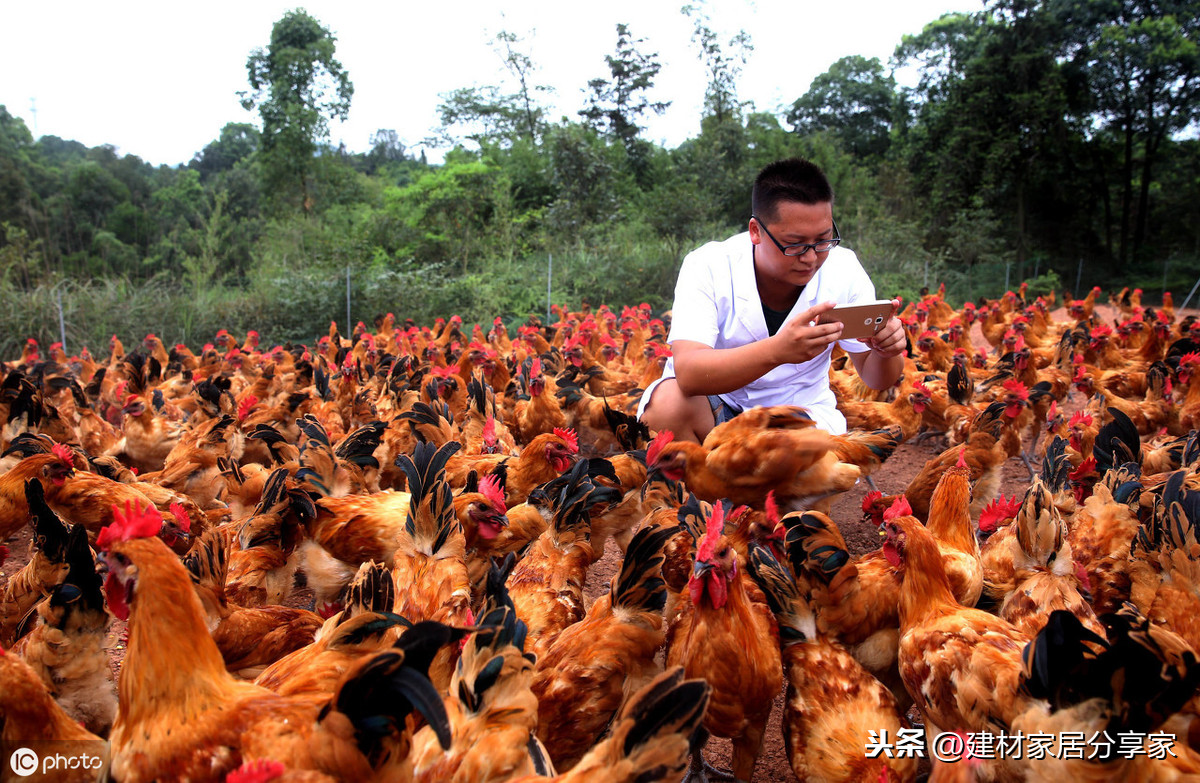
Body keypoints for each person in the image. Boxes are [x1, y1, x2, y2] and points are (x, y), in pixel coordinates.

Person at [637, 157, 906, 442]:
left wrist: (887, 351)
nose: (811, 257)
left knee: (798, 458)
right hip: (718, 408)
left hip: (798, 416)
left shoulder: (844, 269)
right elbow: (689, 374)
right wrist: (777, 350)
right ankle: (703, 487)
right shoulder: (709, 265)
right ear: (755, 231)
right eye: (795, 244)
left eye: (823, 240)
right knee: (667, 406)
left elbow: (876, 377)